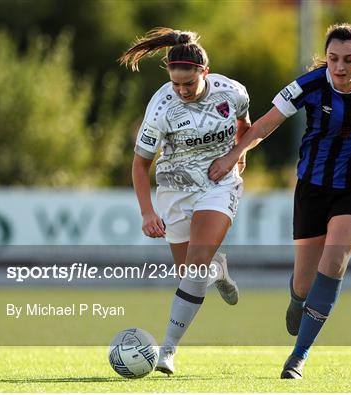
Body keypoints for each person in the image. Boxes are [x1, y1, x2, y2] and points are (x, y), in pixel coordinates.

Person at [208, 23, 351, 379]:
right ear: (325, 58)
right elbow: (267, 124)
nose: (340, 67)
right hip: (312, 188)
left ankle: (298, 357)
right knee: (304, 282)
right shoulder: (310, 85)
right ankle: (298, 300)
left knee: (335, 260)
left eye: (348, 59)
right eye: (333, 59)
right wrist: (234, 153)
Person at [121, 27, 250, 376]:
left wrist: (238, 151)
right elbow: (140, 164)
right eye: (176, 84)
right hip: (174, 190)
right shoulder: (161, 107)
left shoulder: (233, 92)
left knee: (194, 264)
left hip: (219, 185)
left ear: (204, 73)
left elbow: (244, 123)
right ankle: (217, 270)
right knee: (189, 274)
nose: (181, 91)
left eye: (188, 85)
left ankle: (167, 350)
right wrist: (147, 212)